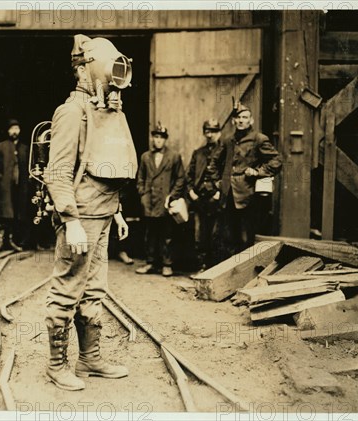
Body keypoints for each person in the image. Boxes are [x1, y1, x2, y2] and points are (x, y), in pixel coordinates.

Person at [43, 34, 137, 391]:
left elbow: (107, 164)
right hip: (80, 220)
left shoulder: (104, 112)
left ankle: (90, 358)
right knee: (67, 291)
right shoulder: (71, 112)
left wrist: (117, 211)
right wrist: (69, 220)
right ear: (83, 69)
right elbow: (58, 171)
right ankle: (56, 364)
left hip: (102, 215)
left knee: (94, 291)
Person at [216, 102, 282, 257]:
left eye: (244, 117)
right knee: (228, 236)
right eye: (238, 117)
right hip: (228, 195)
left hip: (249, 194)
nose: (240, 120)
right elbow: (215, 161)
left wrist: (258, 171)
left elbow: (276, 161)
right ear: (233, 120)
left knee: (246, 237)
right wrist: (216, 182)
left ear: (251, 120)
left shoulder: (259, 139)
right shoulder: (228, 140)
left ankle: (245, 274)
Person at [135, 122, 185, 277]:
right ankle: (150, 262)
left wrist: (173, 196)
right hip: (149, 200)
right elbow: (140, 177)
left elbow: (181, 178)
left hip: (165, 200)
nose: (158, 140)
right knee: (150, 233)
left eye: (161, 137)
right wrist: (142, 194)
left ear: (165, 139)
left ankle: (167, 264)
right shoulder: (145, 156)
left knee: (167, 234)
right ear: (152, 138)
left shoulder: (174, 156)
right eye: (155, 137)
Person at [187, 119, 224, 275]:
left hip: (216, 199)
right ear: (204, 133)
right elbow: (189, 175)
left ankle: (214, 270)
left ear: (219, 133)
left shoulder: (225, 151)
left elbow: (228, 174)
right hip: (199, 199)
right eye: (207, 131)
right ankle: (202, 268)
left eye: (214, 131)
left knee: (216, 235)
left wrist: (219, 191)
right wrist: (191, 192)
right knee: (199, 235)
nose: (210, 135)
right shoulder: (198, 153)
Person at [0, 118, 27, 252]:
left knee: (16, 214)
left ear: (20, 130)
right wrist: (0, 179)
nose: (14, 131)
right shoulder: (2, 146)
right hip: (5, 188)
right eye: (12, 129)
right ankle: (0, 242)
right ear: (8, 131)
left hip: (20, 188)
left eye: (16, 129)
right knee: (3, 214)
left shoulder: (24, 148)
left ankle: (12, 241)